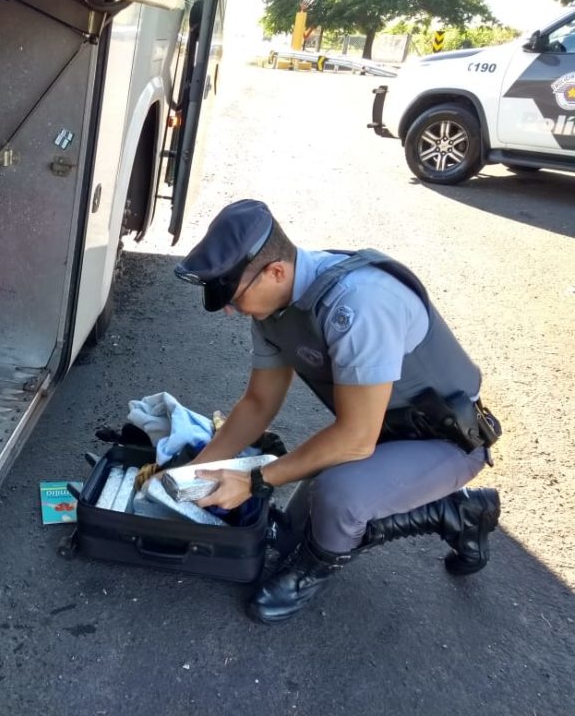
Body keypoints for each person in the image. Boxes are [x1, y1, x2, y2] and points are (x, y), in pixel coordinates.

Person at [174, 200, 501, 624]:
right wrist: (192, 475)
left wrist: (253, 481)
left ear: (275, 272)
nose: (230, 310)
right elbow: (257, 404)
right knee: (288, 534)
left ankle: (316, 571)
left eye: (232, 296)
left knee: (338, 498)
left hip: (444, 441)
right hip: (383, 431)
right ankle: (458, 512)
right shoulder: (274, 308)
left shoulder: (358, 305)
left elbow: (354, 438)